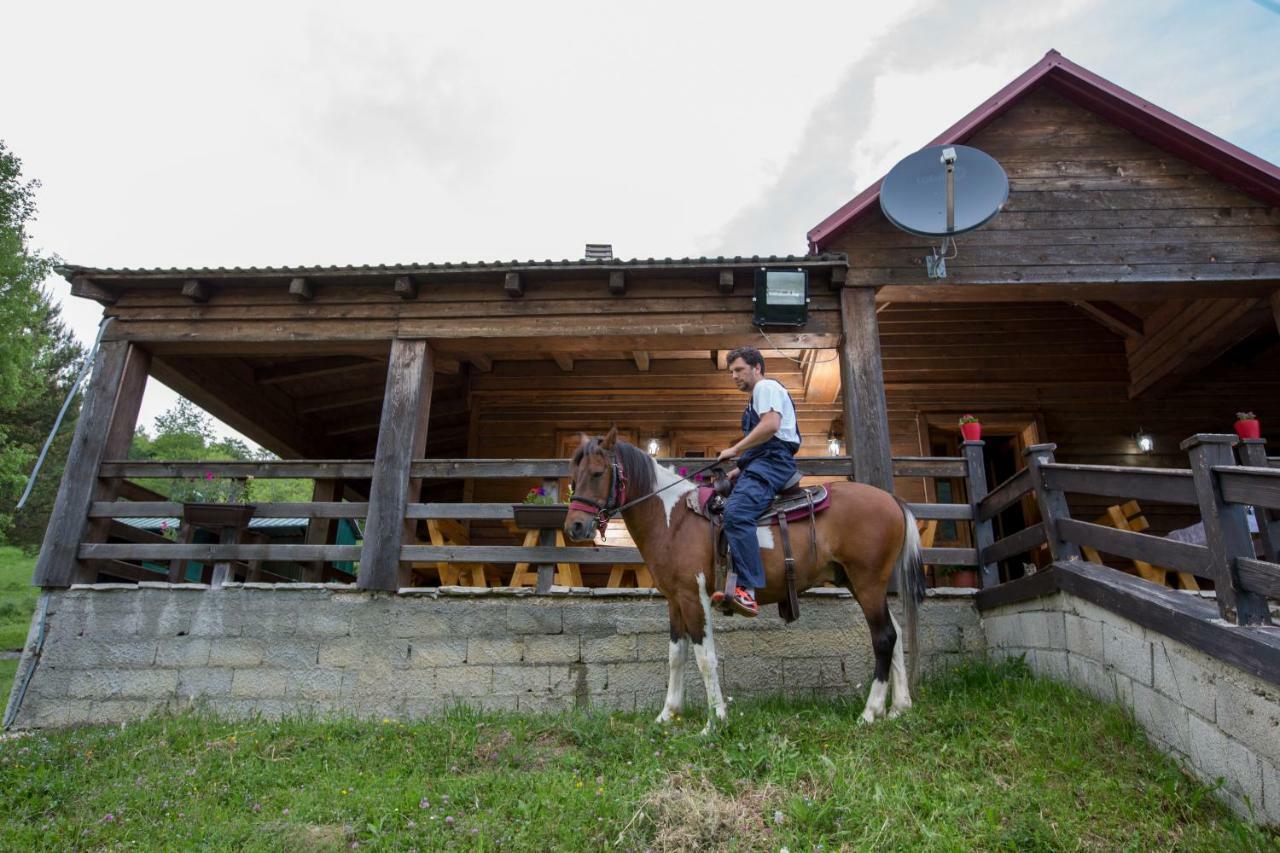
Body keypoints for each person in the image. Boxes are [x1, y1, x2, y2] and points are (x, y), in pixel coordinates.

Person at [716, 346, 801, 617]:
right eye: (732, 372)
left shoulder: (766, 388)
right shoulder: (757, 396)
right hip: (763, 462)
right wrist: (740, 469)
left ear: (757, 368)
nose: (734, 376)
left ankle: (748, 591)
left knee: (737, 513)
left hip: (774, 464)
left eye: (739, 370)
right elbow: (764, 443)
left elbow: (771, 426)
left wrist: (735, 450)